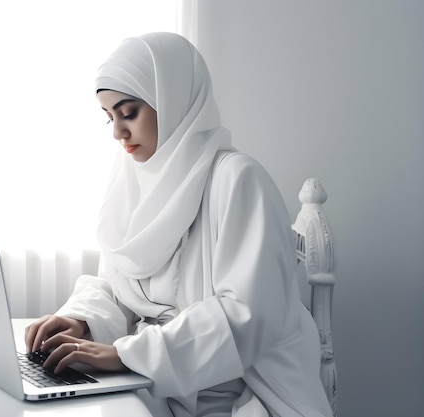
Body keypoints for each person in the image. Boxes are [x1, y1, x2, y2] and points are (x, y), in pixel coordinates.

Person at [25, 32, 332, 417]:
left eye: (129, 112)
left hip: (239, 397)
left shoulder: (239, 180)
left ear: (170, 101)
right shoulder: (131, 184)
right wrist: (80, 321)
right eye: (110, 118)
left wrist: (126, 354)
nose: (119, 133)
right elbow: (119, 286)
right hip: (159, 387)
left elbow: (246, 316)